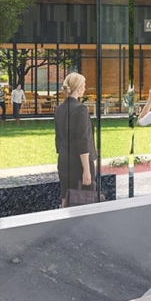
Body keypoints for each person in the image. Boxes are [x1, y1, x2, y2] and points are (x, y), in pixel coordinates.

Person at [54, 73, 95, 207]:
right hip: (79, 162)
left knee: (65, 196)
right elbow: (82, 140)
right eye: (83, 85)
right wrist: (86, 170)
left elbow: (58, 138)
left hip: (64, 159)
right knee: (84, 199)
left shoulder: (60, 109)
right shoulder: (81, 109)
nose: (85, 88)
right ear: (78, 88)